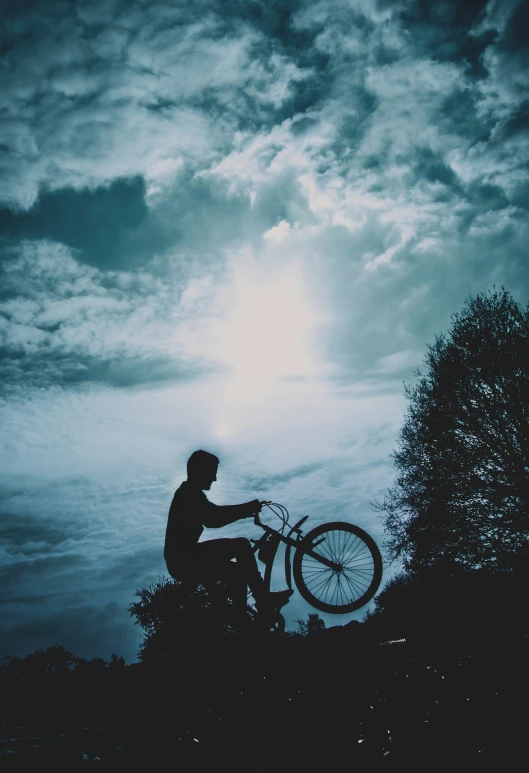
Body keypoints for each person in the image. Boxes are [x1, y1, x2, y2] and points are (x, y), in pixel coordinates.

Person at [164, 450, 293, 617]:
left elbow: (213, 517)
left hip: (184, 558)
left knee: (237, 573)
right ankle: (261, 602)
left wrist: (246, 510)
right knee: (241, 545)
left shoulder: (190, 493)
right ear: (200, 471)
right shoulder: (188, 495)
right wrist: (247, 508)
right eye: (212, 473)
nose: (214, 478)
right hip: (184, 560)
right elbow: (213, 518)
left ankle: (241, 619)